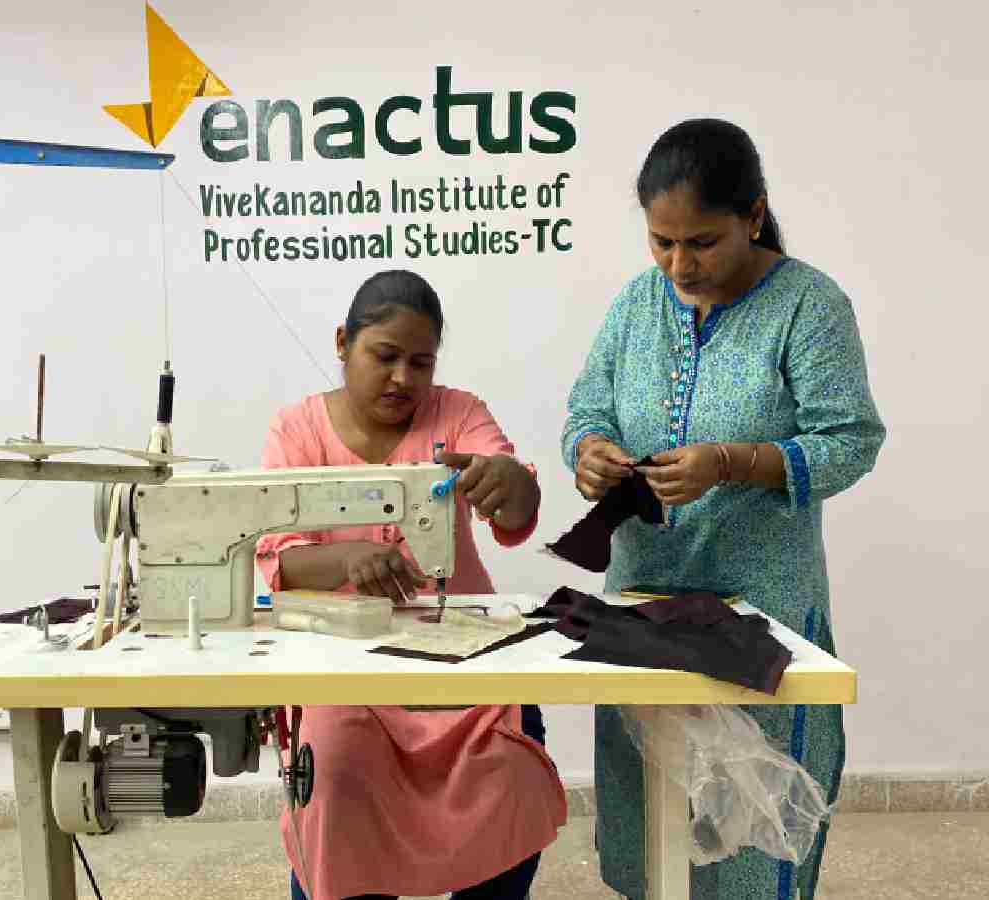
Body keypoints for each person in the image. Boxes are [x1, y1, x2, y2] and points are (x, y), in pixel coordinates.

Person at [561, 118, 885, 900]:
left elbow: (850, 441)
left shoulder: (808, 306)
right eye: (661, 242)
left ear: (754, 213)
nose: (680, 264)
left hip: (760, 615)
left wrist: (731, 462)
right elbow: (585, 411)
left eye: (701, 242)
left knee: (749, 834)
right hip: (643, 609)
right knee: (651, 831)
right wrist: (589, 452)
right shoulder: (636, 306)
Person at [255, 269, 567, 900]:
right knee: (338, 777)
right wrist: (348, 564)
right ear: (343, 342)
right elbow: (274, 556)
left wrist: (508, 482)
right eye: (385, 356)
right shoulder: (297, 431)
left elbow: (515, 498)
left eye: (421, 363)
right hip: (342, 668)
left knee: (508, 770)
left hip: (460, 660)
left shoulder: (458, 413)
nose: (404, 378)